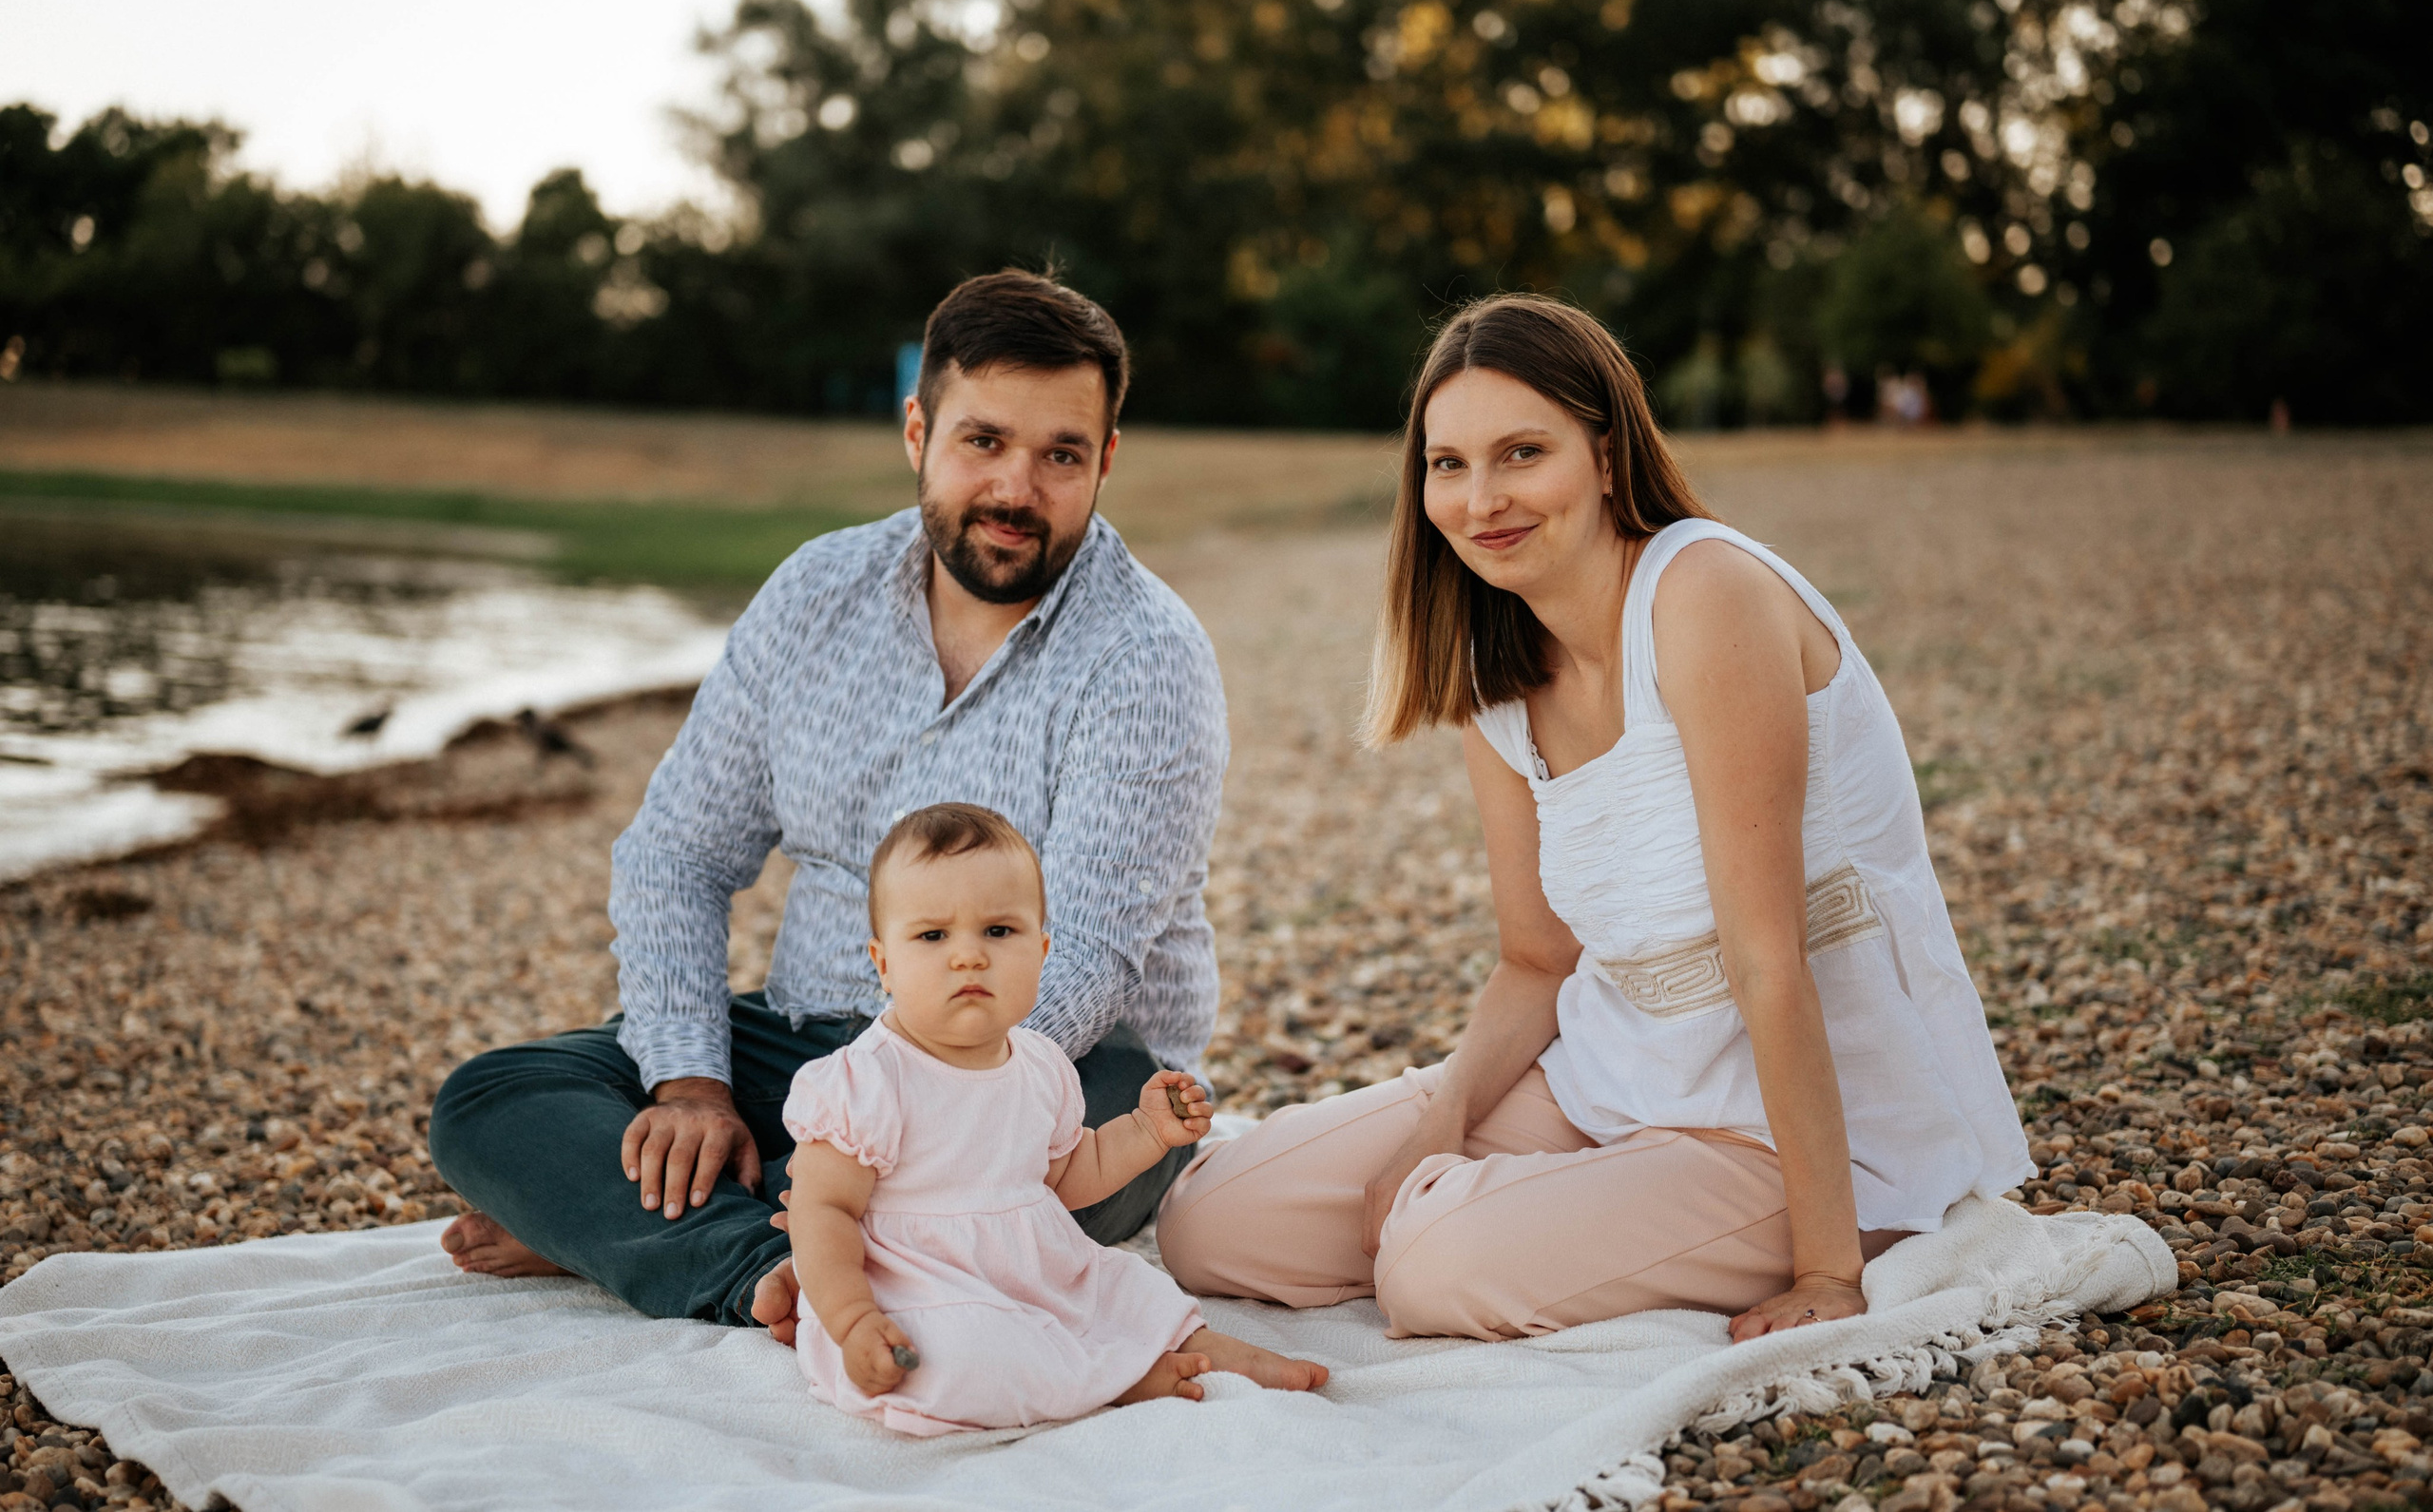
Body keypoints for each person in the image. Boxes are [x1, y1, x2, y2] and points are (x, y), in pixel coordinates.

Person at [1157, 294, 2032, 1343]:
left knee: (1433, 1267)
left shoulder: (1704, 594)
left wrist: (1826, 1272)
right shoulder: (1497, 675)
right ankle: (1570, 1208)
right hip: (1608, 1081)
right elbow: (1535, 959)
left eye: (1522, 453)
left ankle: (1736, 1226)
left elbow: (1770, 958)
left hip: (1793, 1128)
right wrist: (1437, 1122)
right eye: (1448, 465)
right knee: (1214, 1223)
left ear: (1607, 456)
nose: (1481, 500)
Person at [427, 270, 1231, 1329]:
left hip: (1039, 1076)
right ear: (917, 430)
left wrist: (870, 1114)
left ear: (1105, 461)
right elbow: (677, 851)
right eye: (982, 442)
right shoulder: (815, 591)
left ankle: (656, 1229)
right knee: (490, 1101)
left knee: (1091, 1164)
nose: (1016, 491)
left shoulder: (1147, 657)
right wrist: (693, 1091)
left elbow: (1077, 963)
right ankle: (764, 1247)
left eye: (1061, 455)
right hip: (800, 1036)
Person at [776, 803, 1326, 1433]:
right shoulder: (866, 1079)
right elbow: (822, 1211)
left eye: (998, 931)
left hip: (1034, 1266)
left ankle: (1204, 1348)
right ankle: (1114, 1380)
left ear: (1041, 951)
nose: (969, 957)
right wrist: (851, 1318)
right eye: (932, 936)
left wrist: (1147, 1132)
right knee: (958, 1358)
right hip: (920, 1285)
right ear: (883, 962)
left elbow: (1070, 1171)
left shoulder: (1039, 1063)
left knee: (1127, 1289)